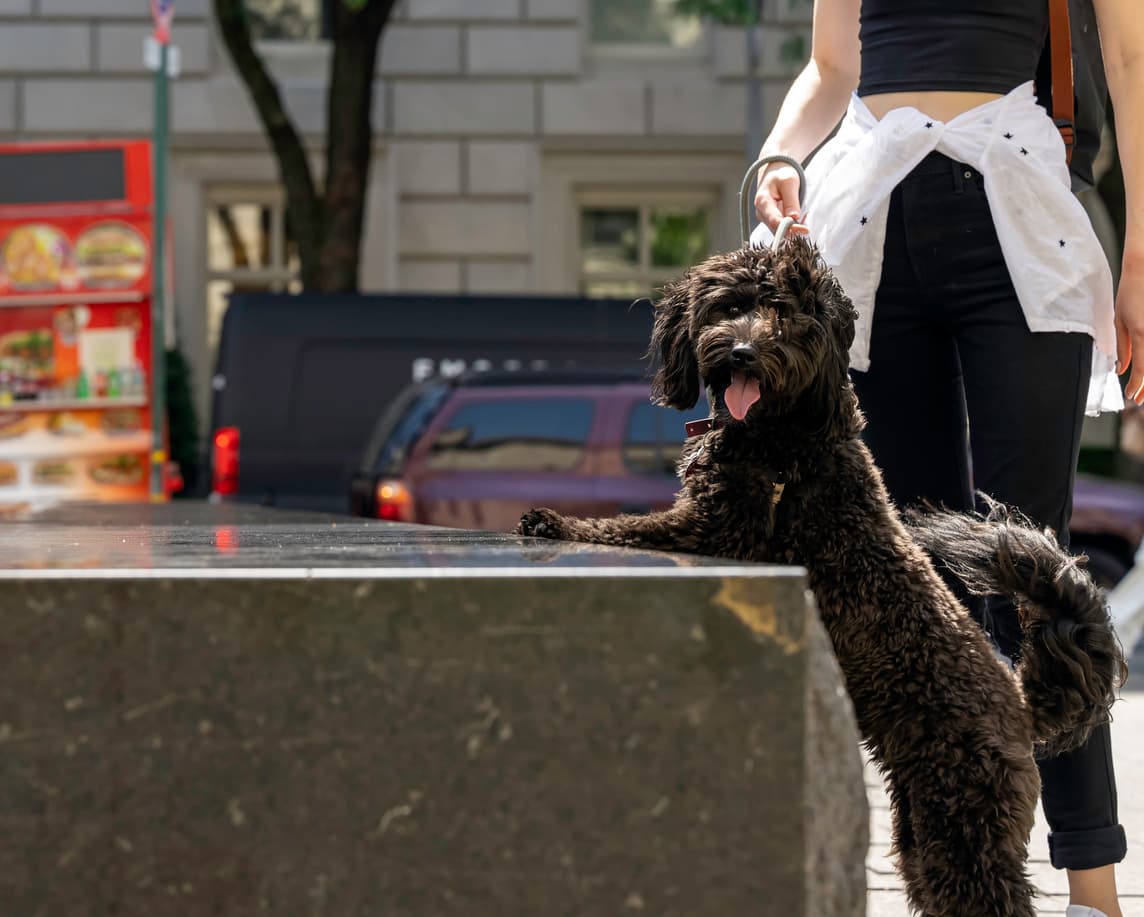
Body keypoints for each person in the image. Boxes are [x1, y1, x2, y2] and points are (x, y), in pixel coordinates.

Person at [752, 1, 1139, 914]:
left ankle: (1093, 886)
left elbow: (1126, 58)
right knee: (921, 591)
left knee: (1035, 569)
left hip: (1017, 212)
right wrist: (776, 154)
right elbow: (829, 66)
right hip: (870, 222)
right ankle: (957, 886)